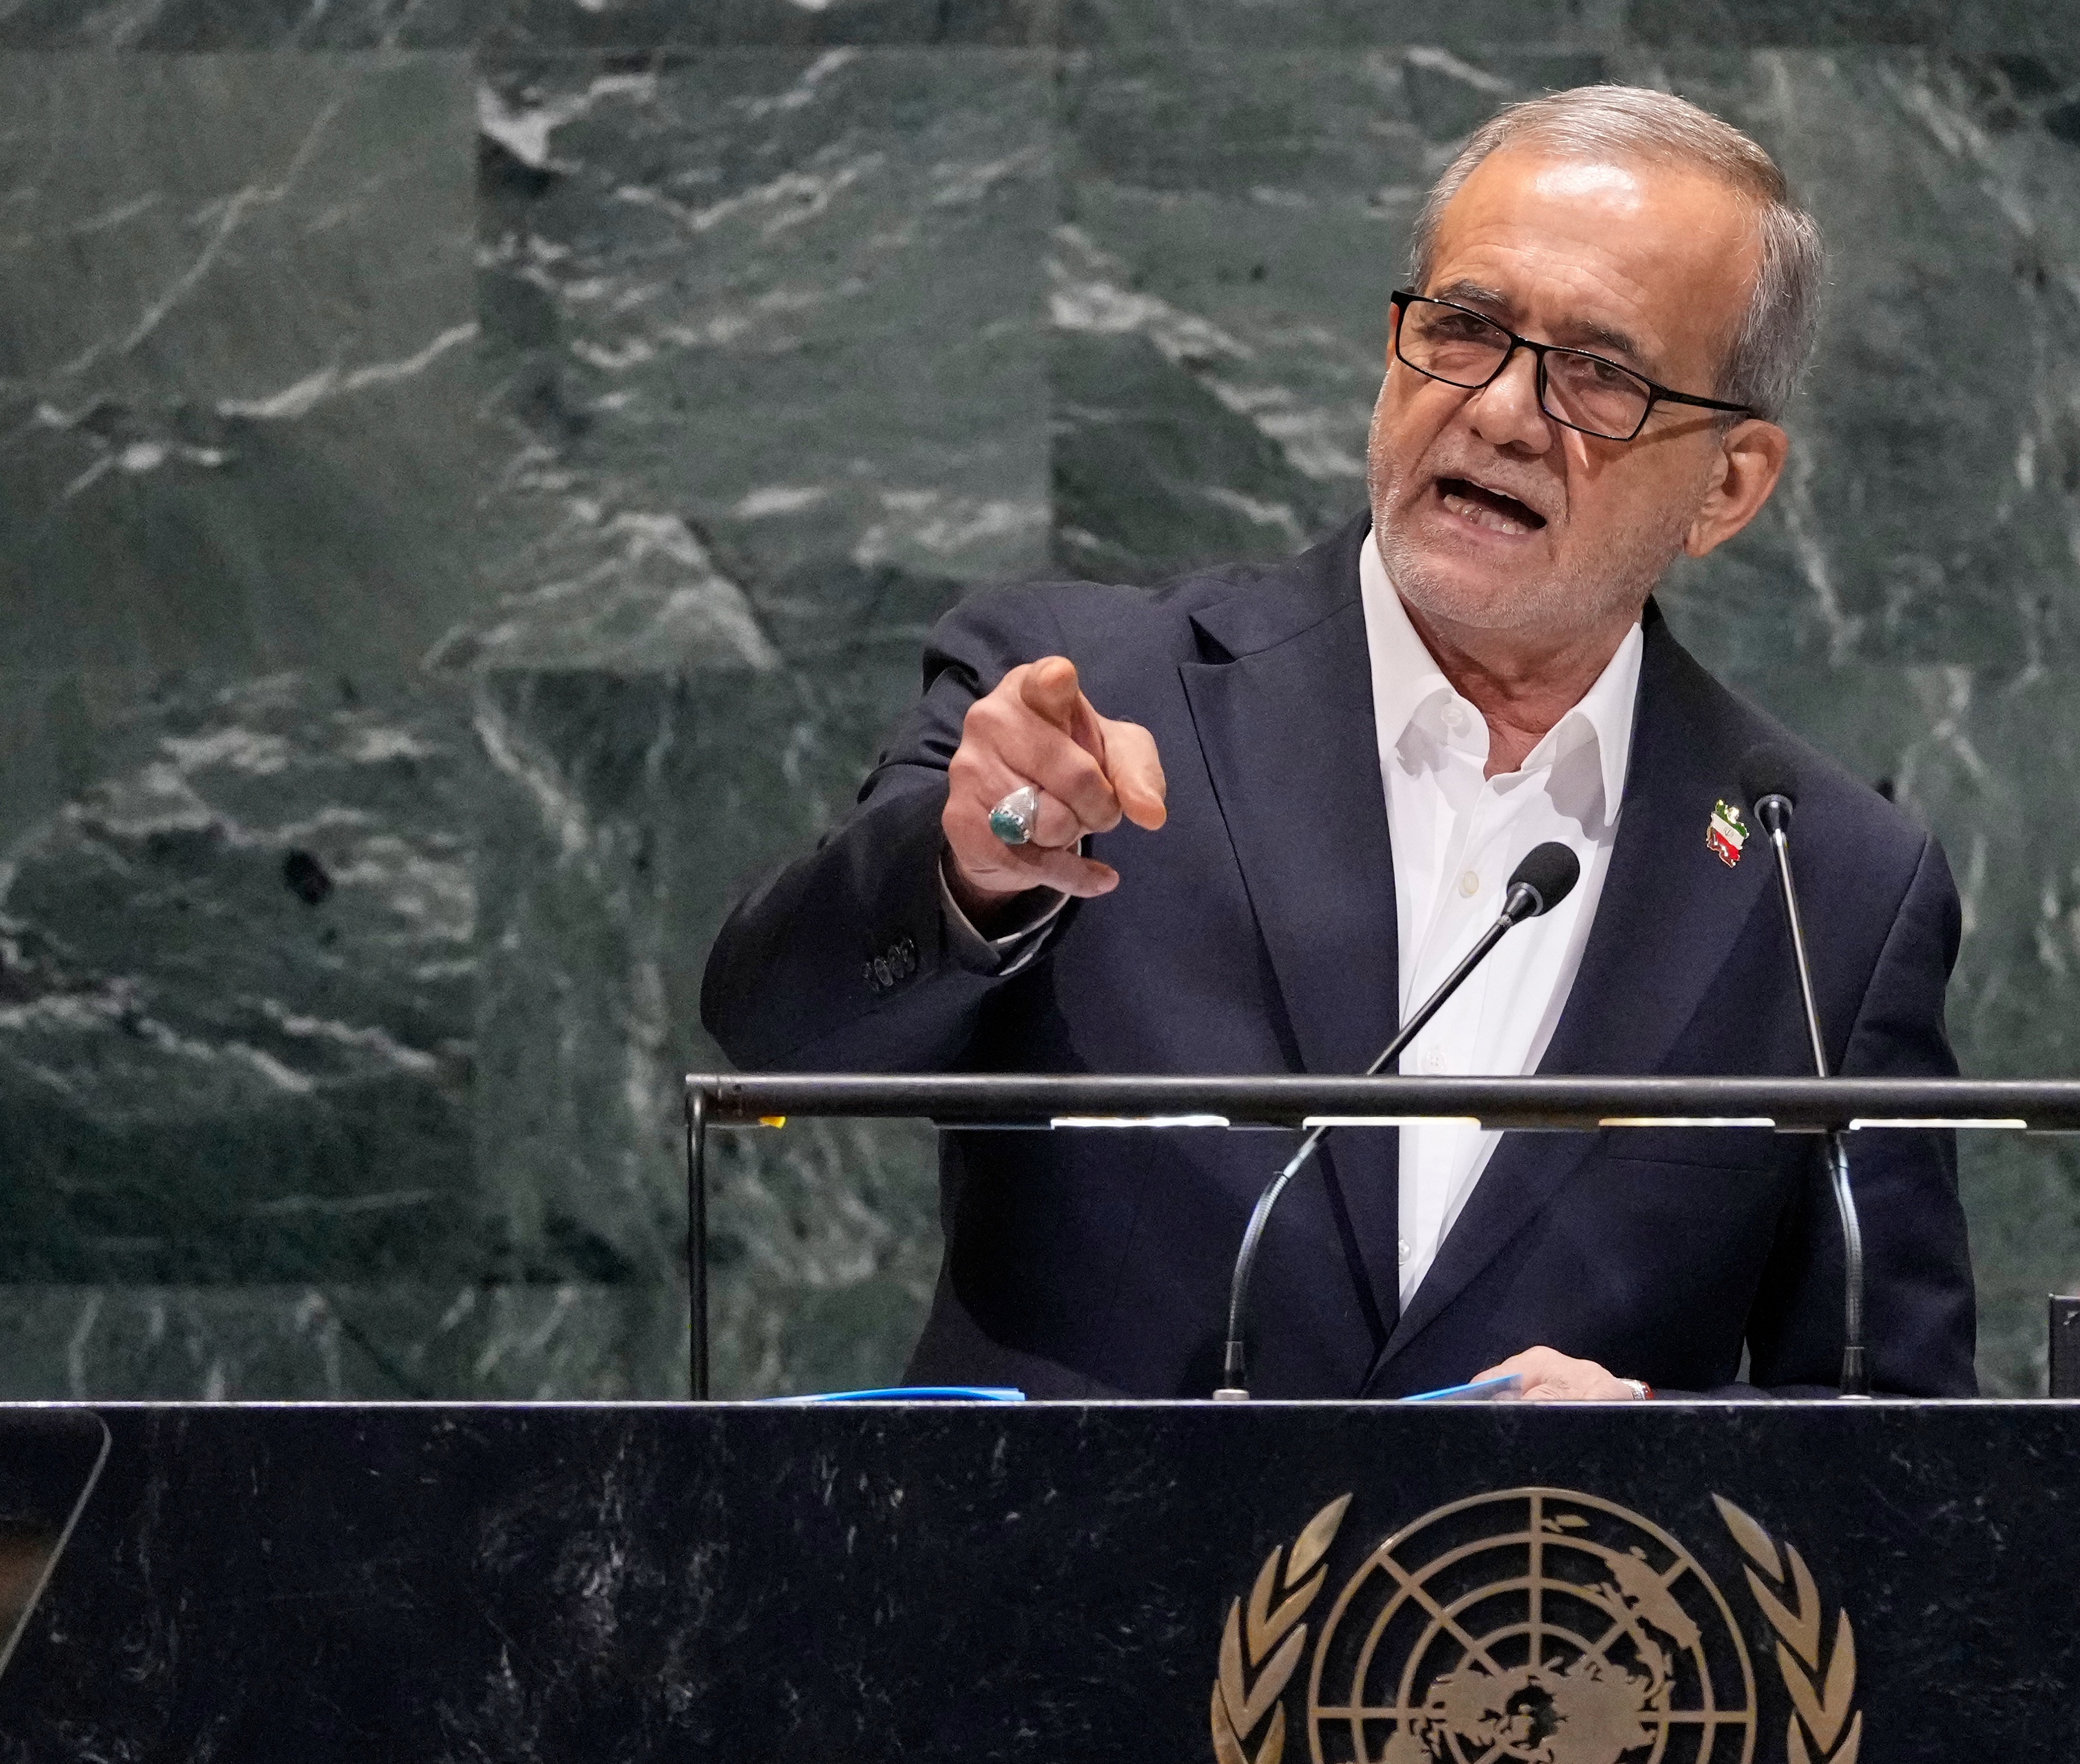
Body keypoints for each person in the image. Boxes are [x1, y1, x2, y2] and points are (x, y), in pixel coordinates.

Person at [702, 86, 1975, 1401]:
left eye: (1599, 373)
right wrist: (965, 869)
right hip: (1074, 1590)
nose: (1498, 410)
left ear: (1729, 483)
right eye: (1465, 328)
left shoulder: (1825, 884)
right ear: (1394, 345)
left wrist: (1678, 1454)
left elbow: (1901, 1445)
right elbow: (777, 1037)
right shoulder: (1094, 702)